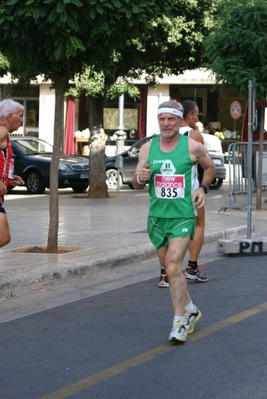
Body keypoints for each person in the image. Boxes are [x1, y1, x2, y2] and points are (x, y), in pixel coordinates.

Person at [132, 100, 215, 342]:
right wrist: (140, 177)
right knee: (172, 272)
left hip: (182, 215)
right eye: (162, 119)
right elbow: (137, 182)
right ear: (158, 121)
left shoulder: (192, 146)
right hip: (157, 217)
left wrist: (202, 188)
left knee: (171, 267)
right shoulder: (147, 149)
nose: (166, 123)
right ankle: (191, 310)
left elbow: (209, 167)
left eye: (171, 119)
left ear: (180, 120)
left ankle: (179, 322)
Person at [158, 100, 209, 287]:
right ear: (188, 116)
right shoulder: (194, 135)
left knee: (164, 228)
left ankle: (164, 274)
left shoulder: (162, 136)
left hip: (164, 190)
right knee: (198, 224)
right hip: (189, 190)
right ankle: (192, 267)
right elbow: (204, 165)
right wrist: (203, 188)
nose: (197, 120)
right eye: (195, 116)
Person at [0, 99, 25, 248]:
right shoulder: (2, 131)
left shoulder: (6, 135)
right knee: (4, 236)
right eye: (20, 115)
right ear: (10, 116)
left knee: (4, 237)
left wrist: (9, 179)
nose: (22, 120)